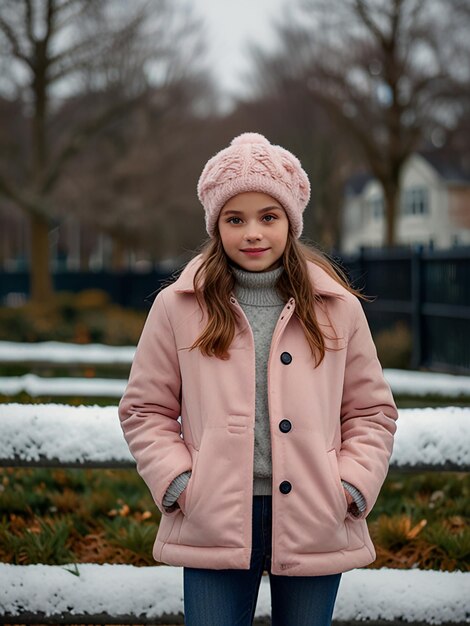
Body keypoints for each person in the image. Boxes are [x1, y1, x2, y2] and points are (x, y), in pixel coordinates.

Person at [118, 132, 399, 626]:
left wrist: (350, 487)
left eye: (268, 217)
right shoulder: (178, 307)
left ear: (290, 223)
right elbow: (145, 410)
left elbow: (371, 412)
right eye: (235, 218)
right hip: (213, 517)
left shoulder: (338, 309)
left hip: (316, 512)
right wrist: (182, 485)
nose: (253, 232)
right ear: (215, 226)